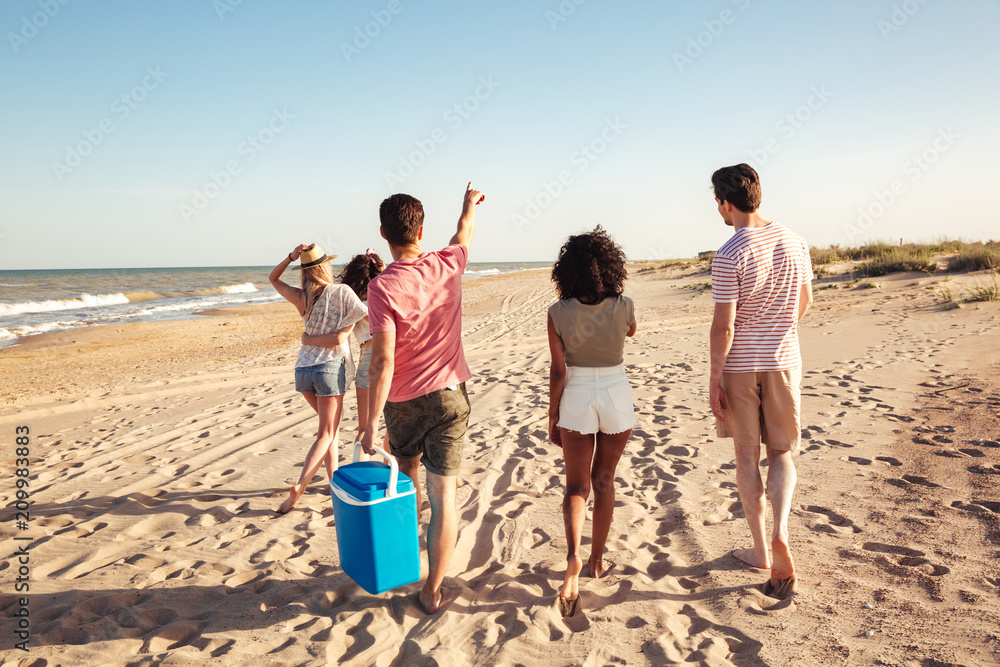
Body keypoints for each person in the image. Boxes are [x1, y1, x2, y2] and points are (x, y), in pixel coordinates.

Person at [359, 182, 484, 614]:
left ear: (383, 233)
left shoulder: (381, 288)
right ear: (421, 230)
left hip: (403, 402)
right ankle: (433, 590)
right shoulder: (448, 264)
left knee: (406, 482)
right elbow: (463, 234)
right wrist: (468, 205)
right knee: (443, 495)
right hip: (450, 396)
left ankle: (401, 563)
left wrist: (370, 423)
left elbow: (382, 362)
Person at [708, 163, 813, 599]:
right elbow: (805, 301)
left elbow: (724, 327)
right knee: (782, 453)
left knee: (747, 455)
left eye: (717, 202)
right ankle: (782, 531)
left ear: (726, 203)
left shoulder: (729, 253)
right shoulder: (795, 241)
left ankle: (759, 548)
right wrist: (778, 331)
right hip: (784, 361)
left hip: (740, 366)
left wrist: (715, 376)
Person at [546, 226, 637, 617]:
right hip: (615, 391)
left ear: (567, 270)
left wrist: (553, 414)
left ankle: (573, 559)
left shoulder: (557, 313)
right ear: (611, 267)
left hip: (578, 395)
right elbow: (631, 331)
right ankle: (598, 559)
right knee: (605, 481)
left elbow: (557, 371)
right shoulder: (624, 304)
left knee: (576, 487)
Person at [269, 243, 368, 514]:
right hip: (329, 369)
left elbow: (273, 278)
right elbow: (348, 330)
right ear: (326, 267)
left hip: (303, 371)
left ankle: (333, 479)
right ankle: (299, 487)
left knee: (329, 430)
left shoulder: (303, 298)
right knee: (326, 432)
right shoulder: (342, 291)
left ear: (304, 271)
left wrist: (290, 256)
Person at [328, 249, 387, 445]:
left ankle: (361, 470)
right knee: (393, 428)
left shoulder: (352, 301)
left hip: (368, 356)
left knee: (364, 430)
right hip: (391, 353)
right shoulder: (385, 298)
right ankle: (390, 472)